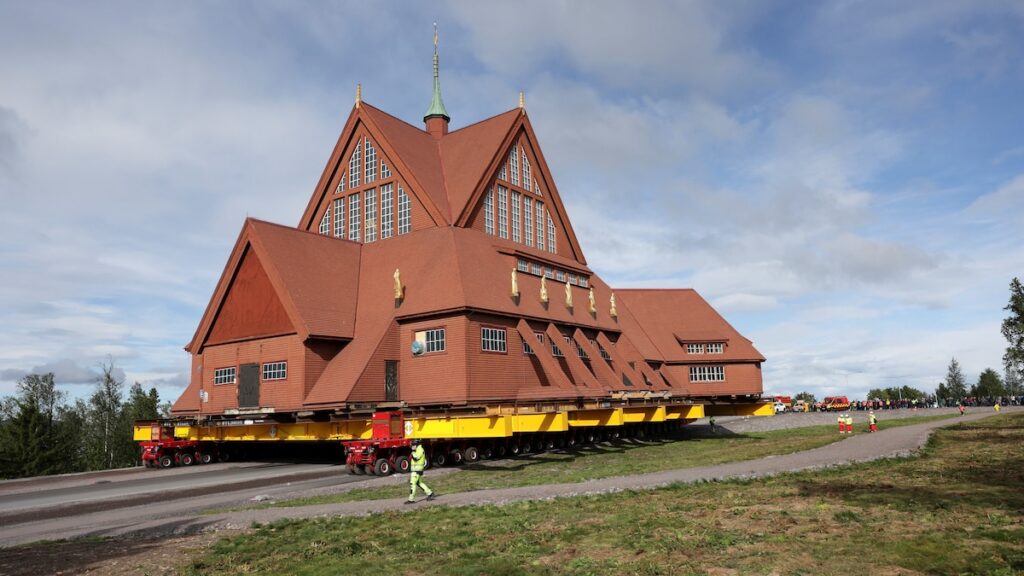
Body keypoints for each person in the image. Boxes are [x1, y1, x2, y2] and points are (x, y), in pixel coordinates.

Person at [406, 439, 435, 504]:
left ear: (417, 444)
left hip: (417, 470)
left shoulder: (420, 450)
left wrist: (413, 451)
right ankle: (430, 493)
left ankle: (411, 499)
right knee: (419, 483)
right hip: (416, 470)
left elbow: (416, 458)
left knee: (412, 483)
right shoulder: (418, 449)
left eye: (413, 445)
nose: (412, 446)